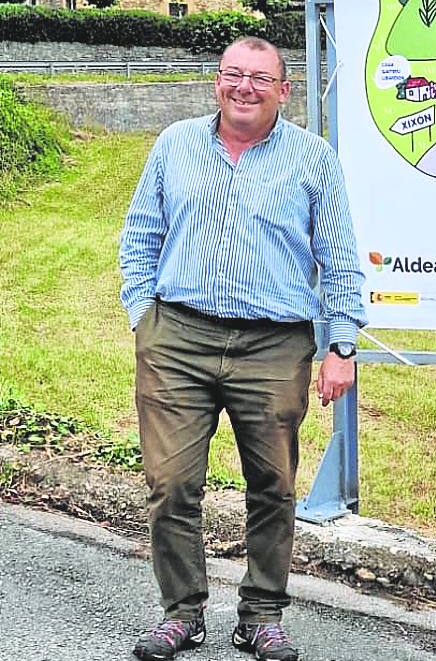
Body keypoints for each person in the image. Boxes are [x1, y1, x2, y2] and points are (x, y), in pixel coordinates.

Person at [119, 36, 366, 661]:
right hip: (177, 337)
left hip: (274, 346)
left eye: (260, 77)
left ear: (284, 90)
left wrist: (341, 345)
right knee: (171, 484)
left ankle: (260, 614)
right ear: (216, 83)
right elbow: (141, 235)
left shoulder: (313, 160)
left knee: (273, 485)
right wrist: (143, 318)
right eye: (233, 74)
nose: (244, 87)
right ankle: (182, 613)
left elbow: (338, 260)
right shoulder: (174, 145)